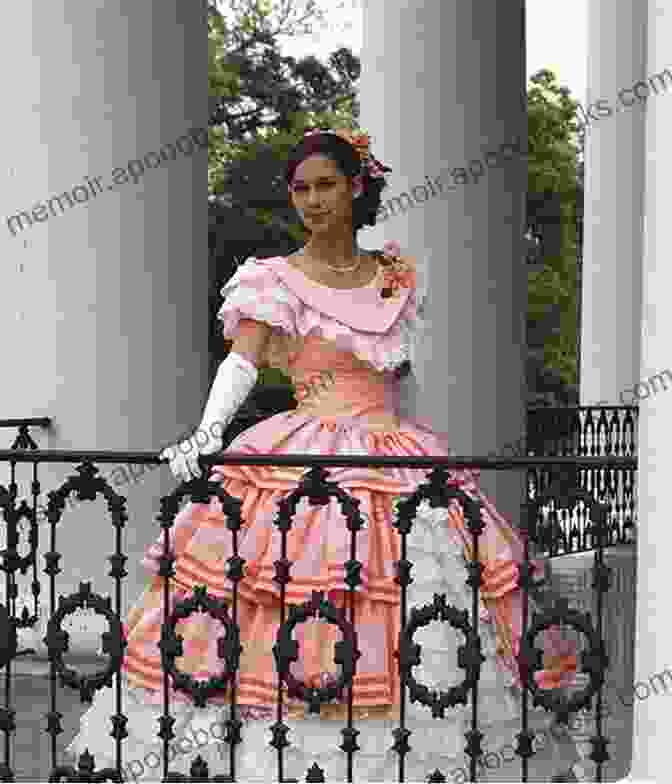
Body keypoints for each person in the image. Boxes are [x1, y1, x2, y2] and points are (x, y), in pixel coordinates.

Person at [66, 128, 585, 782]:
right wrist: (207, 433)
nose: (311, 200)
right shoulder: (273, 279)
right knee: (283, 594)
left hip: (394, 455)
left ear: (356, 187)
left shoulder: (394, 276)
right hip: (304, 448)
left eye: (326, 185)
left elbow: (402, 378)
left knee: (421, 605)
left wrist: (422, 453)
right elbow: (242, 364)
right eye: (301, 189)